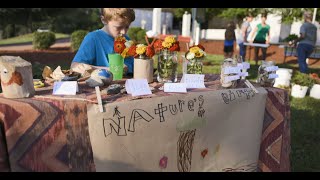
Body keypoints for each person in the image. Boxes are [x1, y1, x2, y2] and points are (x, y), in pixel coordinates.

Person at [71, 8, 135, 76]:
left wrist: (127, 68)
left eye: (127, 27)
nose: (123, 32)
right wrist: (108, 70)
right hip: (99, 85)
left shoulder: (127, 40)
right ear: (104, 20)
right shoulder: (93, 38)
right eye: (118, 27)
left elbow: (131, 65)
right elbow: (74, 67)